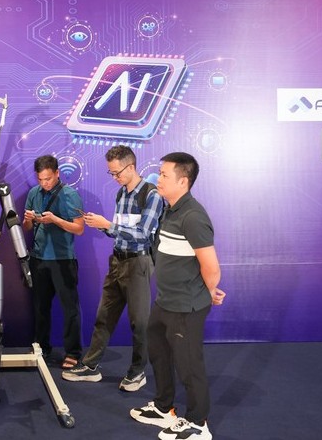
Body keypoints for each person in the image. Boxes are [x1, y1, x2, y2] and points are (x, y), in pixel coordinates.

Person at [130, 152, 226, 440]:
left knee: (189, 365)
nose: (157, 179)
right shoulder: (170, 209)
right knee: (158, 353)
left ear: (183, 181)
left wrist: (208, 291)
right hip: (165, 302)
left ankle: (198, 424)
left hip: (186, 306)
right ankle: (164, 408)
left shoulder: (193, 217)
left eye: (164, 175)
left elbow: (211, 267)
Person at [62, 145, 163, 391]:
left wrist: (108, 224)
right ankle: (91, 366)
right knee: (104, 316)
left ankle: (137, 372)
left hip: (138, 263)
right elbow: (118, 231)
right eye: (111, 173)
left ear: (131, 167)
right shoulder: (121, 194)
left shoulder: (151, 195)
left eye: (117, 172)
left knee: (139, 323)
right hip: (117, 261)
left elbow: (143, 234)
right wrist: (101, 225)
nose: (114, 177)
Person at [22, 154, 85, 368]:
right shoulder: (33, 193)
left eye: (48, 179)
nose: (45, 183)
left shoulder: (70, 195)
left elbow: (79, 228)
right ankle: (42, 347)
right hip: (38, 258)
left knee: (70, 308)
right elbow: (27, 228)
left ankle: (73, 352)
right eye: (40, 179)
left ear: (57, 173)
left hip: (63, 259)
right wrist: (28, 220)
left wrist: (55, 220)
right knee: (40, 307)